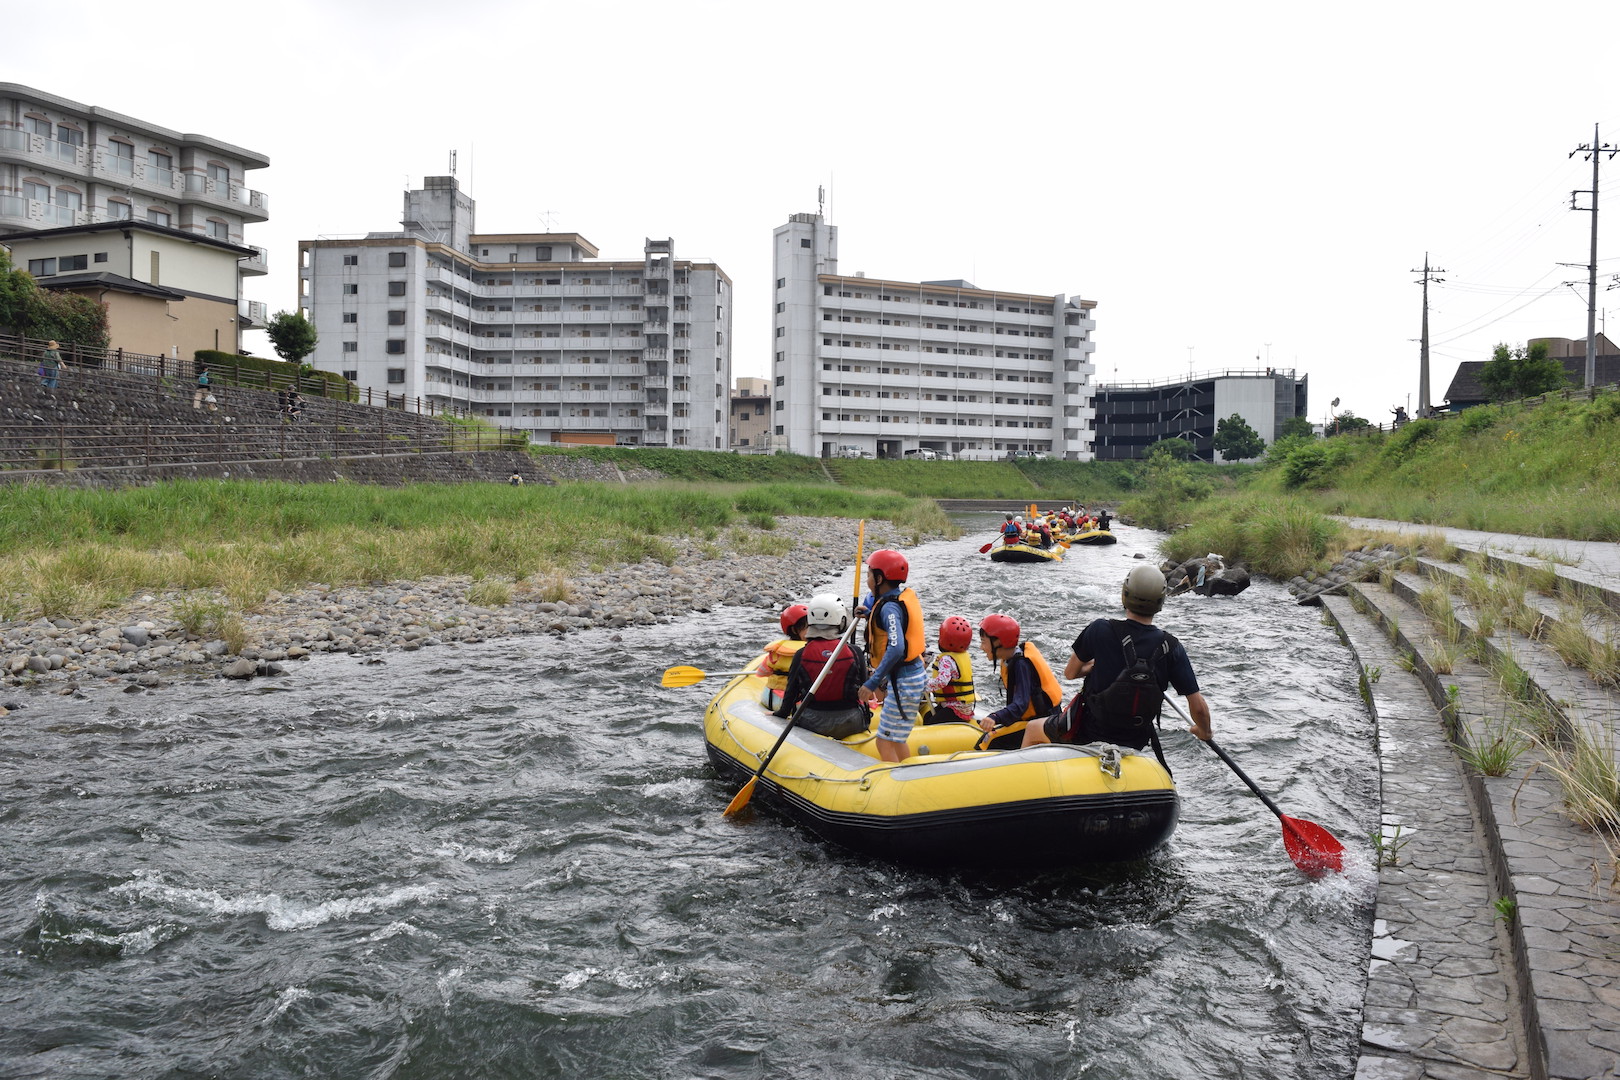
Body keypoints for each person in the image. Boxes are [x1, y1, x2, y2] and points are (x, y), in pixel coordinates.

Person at [1023, 565, 1212, 762]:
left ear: (1125, 596)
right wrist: (1204, 731)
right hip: (1135, 741)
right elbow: (1198, 707)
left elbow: (1070, 673)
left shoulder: (1099, 629)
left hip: (1088, 734)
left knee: (1032, 729)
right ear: (1160, 601)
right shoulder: (1171, 646)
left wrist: (1092, 667)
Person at [859, 548, 926, 762]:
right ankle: (906, 772)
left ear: (879, 579)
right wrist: (870, 617)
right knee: (896, 739)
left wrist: (872, 682)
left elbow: (896, 648)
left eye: (869, 574)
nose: (867, 578)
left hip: (905, 681)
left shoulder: (889, 608)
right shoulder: (892, 602)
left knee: (883, 740)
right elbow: (892, 629)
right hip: (911, 676)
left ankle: (895, 783)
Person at [775, 594, 870, 740]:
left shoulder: (801, 654)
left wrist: (778, 715)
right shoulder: (855, 652)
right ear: (841, 620)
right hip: (851, 722)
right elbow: (864, 692)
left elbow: (790, 695)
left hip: (812, 722)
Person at [978, 615, 1064, 750]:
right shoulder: (1011, 659)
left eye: (983, 642)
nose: (981, 647)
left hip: (1043, 723)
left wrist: (996, 717)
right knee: (987, 738)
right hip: (1032, 720)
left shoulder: (1021, 665)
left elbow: (1021, 704)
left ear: (999, 642)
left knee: (988, 742)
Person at [921, 615, 976, 725]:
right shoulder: (963, 656)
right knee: (927, 716)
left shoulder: (946, 659)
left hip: (955, 709)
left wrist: (924, 685)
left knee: (931, 722)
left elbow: (942, 681)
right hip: (963, 706)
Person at [756, 602, 809, 687]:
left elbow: (761, 673)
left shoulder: (775, 652)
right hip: (796, 697)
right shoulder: (810, 651)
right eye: (808, 627)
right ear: (794, 630)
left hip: (772, 696)